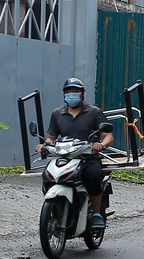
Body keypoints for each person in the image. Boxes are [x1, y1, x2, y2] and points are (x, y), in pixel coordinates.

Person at [39, 76, 113, 230]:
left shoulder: (93, 112)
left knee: (92, 176)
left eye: (76, 91)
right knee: (48, 176)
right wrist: (43, 145)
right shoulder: (57, 113)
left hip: (88, 156)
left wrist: (100, 144)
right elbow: (51, 137)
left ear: (82, 94)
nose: (72, 94)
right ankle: (55, 207)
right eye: (69, 92)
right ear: (64, 94)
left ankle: (96, 214)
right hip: (65, 156)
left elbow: (108, 136)